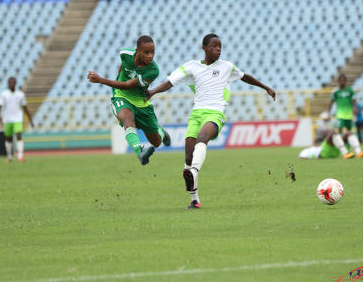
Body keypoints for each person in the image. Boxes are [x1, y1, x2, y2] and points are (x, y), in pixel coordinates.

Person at [145, 34, 276, 209]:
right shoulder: (192, 67)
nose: (218, 49)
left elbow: (245, 77)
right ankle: (194, 199)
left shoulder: (226, 67)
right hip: (196, 113)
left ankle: (192, 172)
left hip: (215, 113)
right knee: (188, 156)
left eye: (220, 46)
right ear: (204, 48)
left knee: (202, 139)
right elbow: (170, 82)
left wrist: (266, 87)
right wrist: (152, 91)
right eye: (214, 46)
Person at [87, 36, 170, 165]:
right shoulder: (125, 54)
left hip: (141, 102)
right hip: (121, 96)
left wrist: (101, 80)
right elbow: (123, 67)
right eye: (147, 52)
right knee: (127, 120)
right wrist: (118, 80)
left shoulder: (153, 70)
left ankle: (161, 132)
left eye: (153, 52)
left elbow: (127, 85)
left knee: (157, 142)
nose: (150, 56)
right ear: (138, 51)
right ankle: (140, 151)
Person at [0, 77, 34, 162]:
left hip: (18, 118)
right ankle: (9, 156)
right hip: (7, 118)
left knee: (18, 135)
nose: (12, 84)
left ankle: (20, 156)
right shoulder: (4, 94)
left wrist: (30, 119)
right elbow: (0, 105)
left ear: (16, 83)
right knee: (8, 138)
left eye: (13, 82)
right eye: (10, 82)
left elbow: (25, 107)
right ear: (8, 84)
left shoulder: (20, 94)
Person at [299, 131, 363, 159]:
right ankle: (345, 153)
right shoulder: (306, 150)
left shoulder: (315, 147)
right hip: (324, 153)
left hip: (337, 149)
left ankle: (359, 152)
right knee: (332, 134)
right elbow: (301, 157)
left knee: (348, 133)